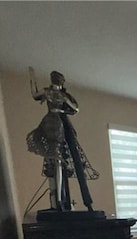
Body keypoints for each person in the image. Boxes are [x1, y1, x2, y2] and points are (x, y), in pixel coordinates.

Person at [26, 69, 99, 212]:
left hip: (64, 123)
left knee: (76, 159)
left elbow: (75, 108)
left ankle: (86, 201)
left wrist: (63, 102)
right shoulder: (47, 91)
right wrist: (32, 80)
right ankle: (59, 201)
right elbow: (35, 95)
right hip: (51, 124)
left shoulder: (64, 95)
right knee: (56, 162)